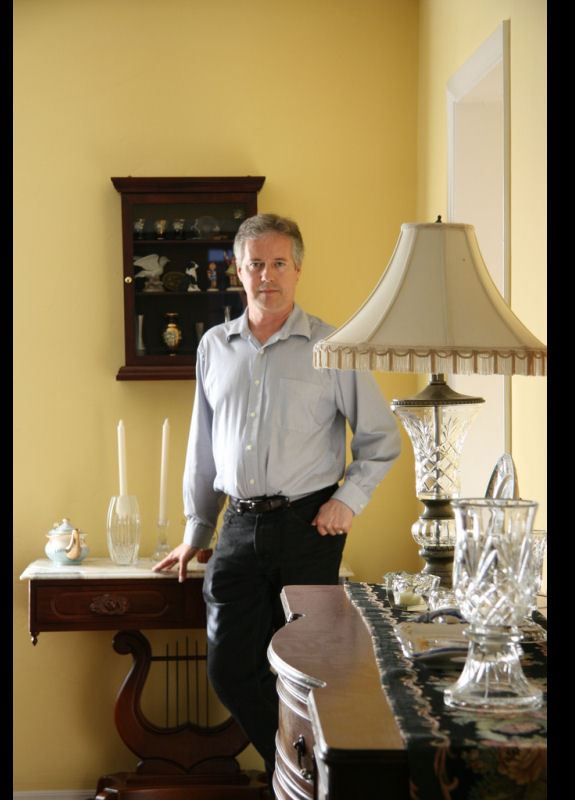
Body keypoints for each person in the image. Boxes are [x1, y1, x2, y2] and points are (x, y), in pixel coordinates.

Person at [154, 213, 401, 785]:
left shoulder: (334, 347)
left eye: (279, 263)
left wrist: (348, 500)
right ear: (238, 272)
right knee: (230, 670)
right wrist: (197, 531)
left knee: (309, 673)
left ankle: (298, 783)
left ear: (297, 269)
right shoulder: (214, 347)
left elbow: (381, 440)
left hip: (307, 529)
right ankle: (298, 777)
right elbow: (203, 449)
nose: (267, 275)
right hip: (237, 531)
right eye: (256, 264)